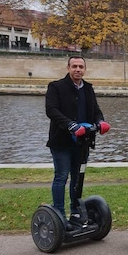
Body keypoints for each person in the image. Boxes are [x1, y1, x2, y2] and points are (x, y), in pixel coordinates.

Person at [45, 56, 110, 222]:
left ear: (85, 69)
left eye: (81, 67)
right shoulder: (56, 87)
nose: (78, 69)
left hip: (82, 142)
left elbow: (96, 110)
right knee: (61, 176)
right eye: (74, 66)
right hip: (61, 141)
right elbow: (51, 110)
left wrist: (100, 122)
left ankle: (75, 211)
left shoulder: (88, 88)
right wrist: (71, 125)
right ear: (68, 68)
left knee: (78, 176)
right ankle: (59, 212)